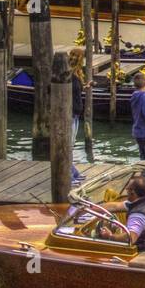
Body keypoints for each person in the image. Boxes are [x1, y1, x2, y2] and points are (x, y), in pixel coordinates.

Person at [68, 47, 87, 185]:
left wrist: (85, 86)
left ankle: (73, 172)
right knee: (68, 145)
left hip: (75, 113)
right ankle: (69, 175)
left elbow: (77, 90)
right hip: (70, 113)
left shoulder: (76, 75)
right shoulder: (69, 75)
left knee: (71, 144)